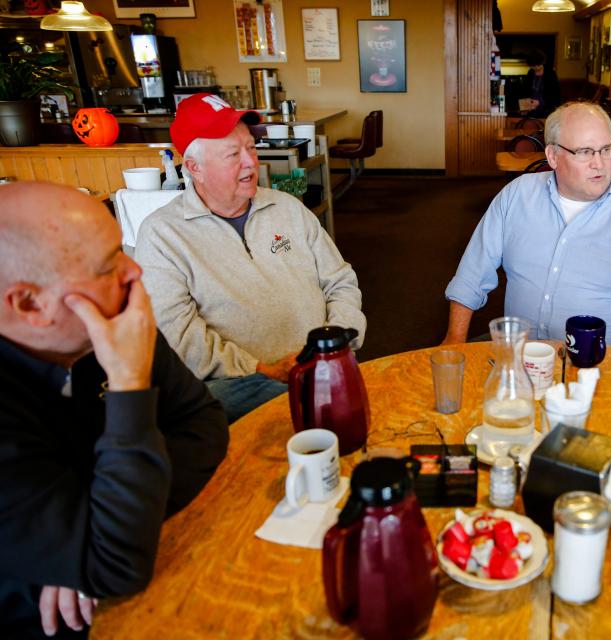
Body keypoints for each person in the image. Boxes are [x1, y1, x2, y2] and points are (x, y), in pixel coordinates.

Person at [0, 183, 229, 638]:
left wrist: (97, 529)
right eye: (109, 265)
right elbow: (116, 563)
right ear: (30, 304)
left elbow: (204, 424)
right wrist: (128, 383)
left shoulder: (111, 318)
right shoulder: (116, 335)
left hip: (132, 568)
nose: (135, 270)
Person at [136, 94, 366, 423]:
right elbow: (181, 340)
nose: (250, 162)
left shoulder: (287, 208)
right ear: (194, 168)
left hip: (324, 363)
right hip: (241, 382)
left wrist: (338, 343)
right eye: (233, 154)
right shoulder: (162, 235)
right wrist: (262, 370)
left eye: (251, 148)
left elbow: (341, 281)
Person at [444, 102, 611, 347]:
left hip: (608, 369)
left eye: (606, 150)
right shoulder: (517, 196)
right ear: (553, 156)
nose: (600, 163)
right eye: (585, 152)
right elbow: (471, 275)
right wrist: (454, 340)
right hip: (524, 357)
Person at [521, 49, 561, 118]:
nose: (536, 67)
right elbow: (525, 91)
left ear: (542, 62)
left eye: (538, 65)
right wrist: (525, 106)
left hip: (547, 110)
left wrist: (540, 102)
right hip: (532, 109)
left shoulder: (551, 74)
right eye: (533, 65)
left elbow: (556, 95)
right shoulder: (530, 73)